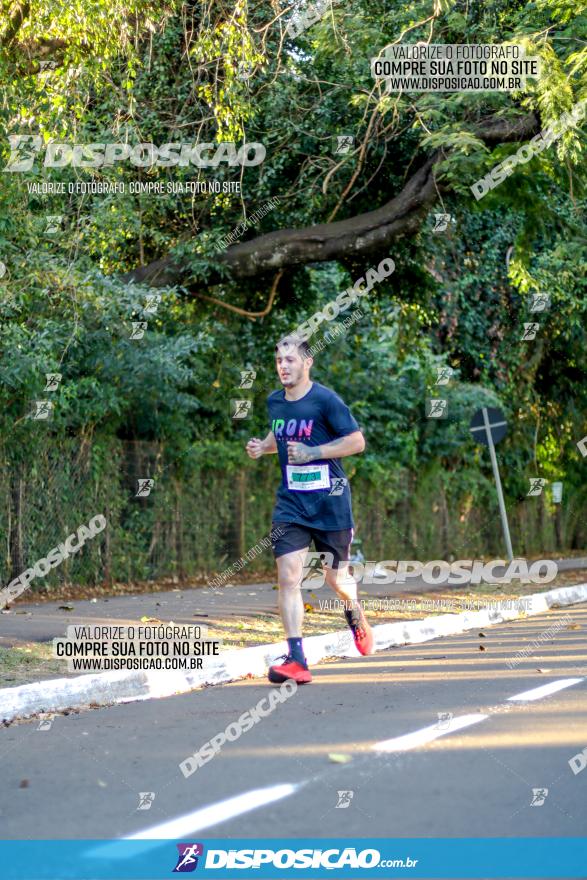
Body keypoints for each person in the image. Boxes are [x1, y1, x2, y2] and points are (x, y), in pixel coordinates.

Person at [245, 336, 374, 684]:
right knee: (288, 576)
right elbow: (282, 436)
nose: (283, 366)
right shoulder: (275, 402)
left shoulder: (326, 400)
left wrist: (314, 453)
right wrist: (263, 447)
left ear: (307, 363)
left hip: (330, 503)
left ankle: (354, 611)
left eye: (290, 360)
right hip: (291, 504)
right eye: (278, 361)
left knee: (336, 579)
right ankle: (297, 658)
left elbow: (357, 441)